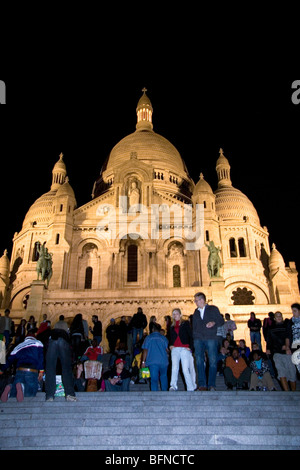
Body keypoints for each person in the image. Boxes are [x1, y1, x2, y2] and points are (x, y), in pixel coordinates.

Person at [191, 292, 224, 391]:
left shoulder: (213, 309)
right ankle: (202, 385)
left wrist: (213, 322)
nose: (195, 303)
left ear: (202, 300)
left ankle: (211, 384)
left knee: (213, 361)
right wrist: (194, 337)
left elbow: (221, 321)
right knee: (199, 361)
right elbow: (194, 326)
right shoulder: (195, 312)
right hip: (198, 339)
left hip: (211, 338)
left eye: (196, 301)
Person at [0, 330, 44, 402]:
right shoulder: (38, 343)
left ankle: (10, 388)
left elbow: (9, 360)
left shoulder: (18, 346)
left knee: (14, 395)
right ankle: (23, 387)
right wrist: (41, 370)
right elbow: (40, 357)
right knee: (30, 394)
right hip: (32, 370)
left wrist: (1, 369)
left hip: (19, 370)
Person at [45, 324, 77, 401]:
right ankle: (69, 394)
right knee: (66, 368)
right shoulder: (65, 332)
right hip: (64, 340)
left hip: (52, 339)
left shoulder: (51, 331)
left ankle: (49, 395)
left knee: (50, 368)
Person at [266, 311, 296, 391]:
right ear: (274, 318)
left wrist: (288, 347)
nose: (279, 317)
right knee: (281, 371)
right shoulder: (271, 328)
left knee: (292, 373)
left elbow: (290, 337)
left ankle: (293, 392)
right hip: (277, 352)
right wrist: (268, 349)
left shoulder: (287, 326)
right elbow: (269, 340)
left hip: (287, 352)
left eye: (280, 316)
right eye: (277, 316)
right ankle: (287, 392)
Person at [168, 309, 196, 392]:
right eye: (173, 314)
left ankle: (190, 387)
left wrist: (190, 347)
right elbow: (170, 336)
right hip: (175, 349)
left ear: (180, 315)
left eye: (176, 313)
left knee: (185, 369)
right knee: (174, 368)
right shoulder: (171, 326)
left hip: (184, 348)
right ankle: (173, 386)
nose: (175, 315)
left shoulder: (185, 323)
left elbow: (190, 335)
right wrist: (170, 345)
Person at [141, 322, 169, 391]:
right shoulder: (163, 338)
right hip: (163, 361)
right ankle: (164, 392)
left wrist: (143, 361)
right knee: (164, 377)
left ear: (152, 329)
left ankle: (154, 394)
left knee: (154, 379)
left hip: (152, 361)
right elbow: (167, 350)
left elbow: (145, 350)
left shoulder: (148, 338)